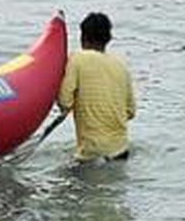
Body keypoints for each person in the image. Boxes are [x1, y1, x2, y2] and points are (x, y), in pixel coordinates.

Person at [57, 13, 136, 162]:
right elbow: (131, 112)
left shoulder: (77, 59)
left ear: (83, 37)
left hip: (92, 154)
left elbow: (64, 101)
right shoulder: (121, 66)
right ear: (108, 39)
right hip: (121, 151)